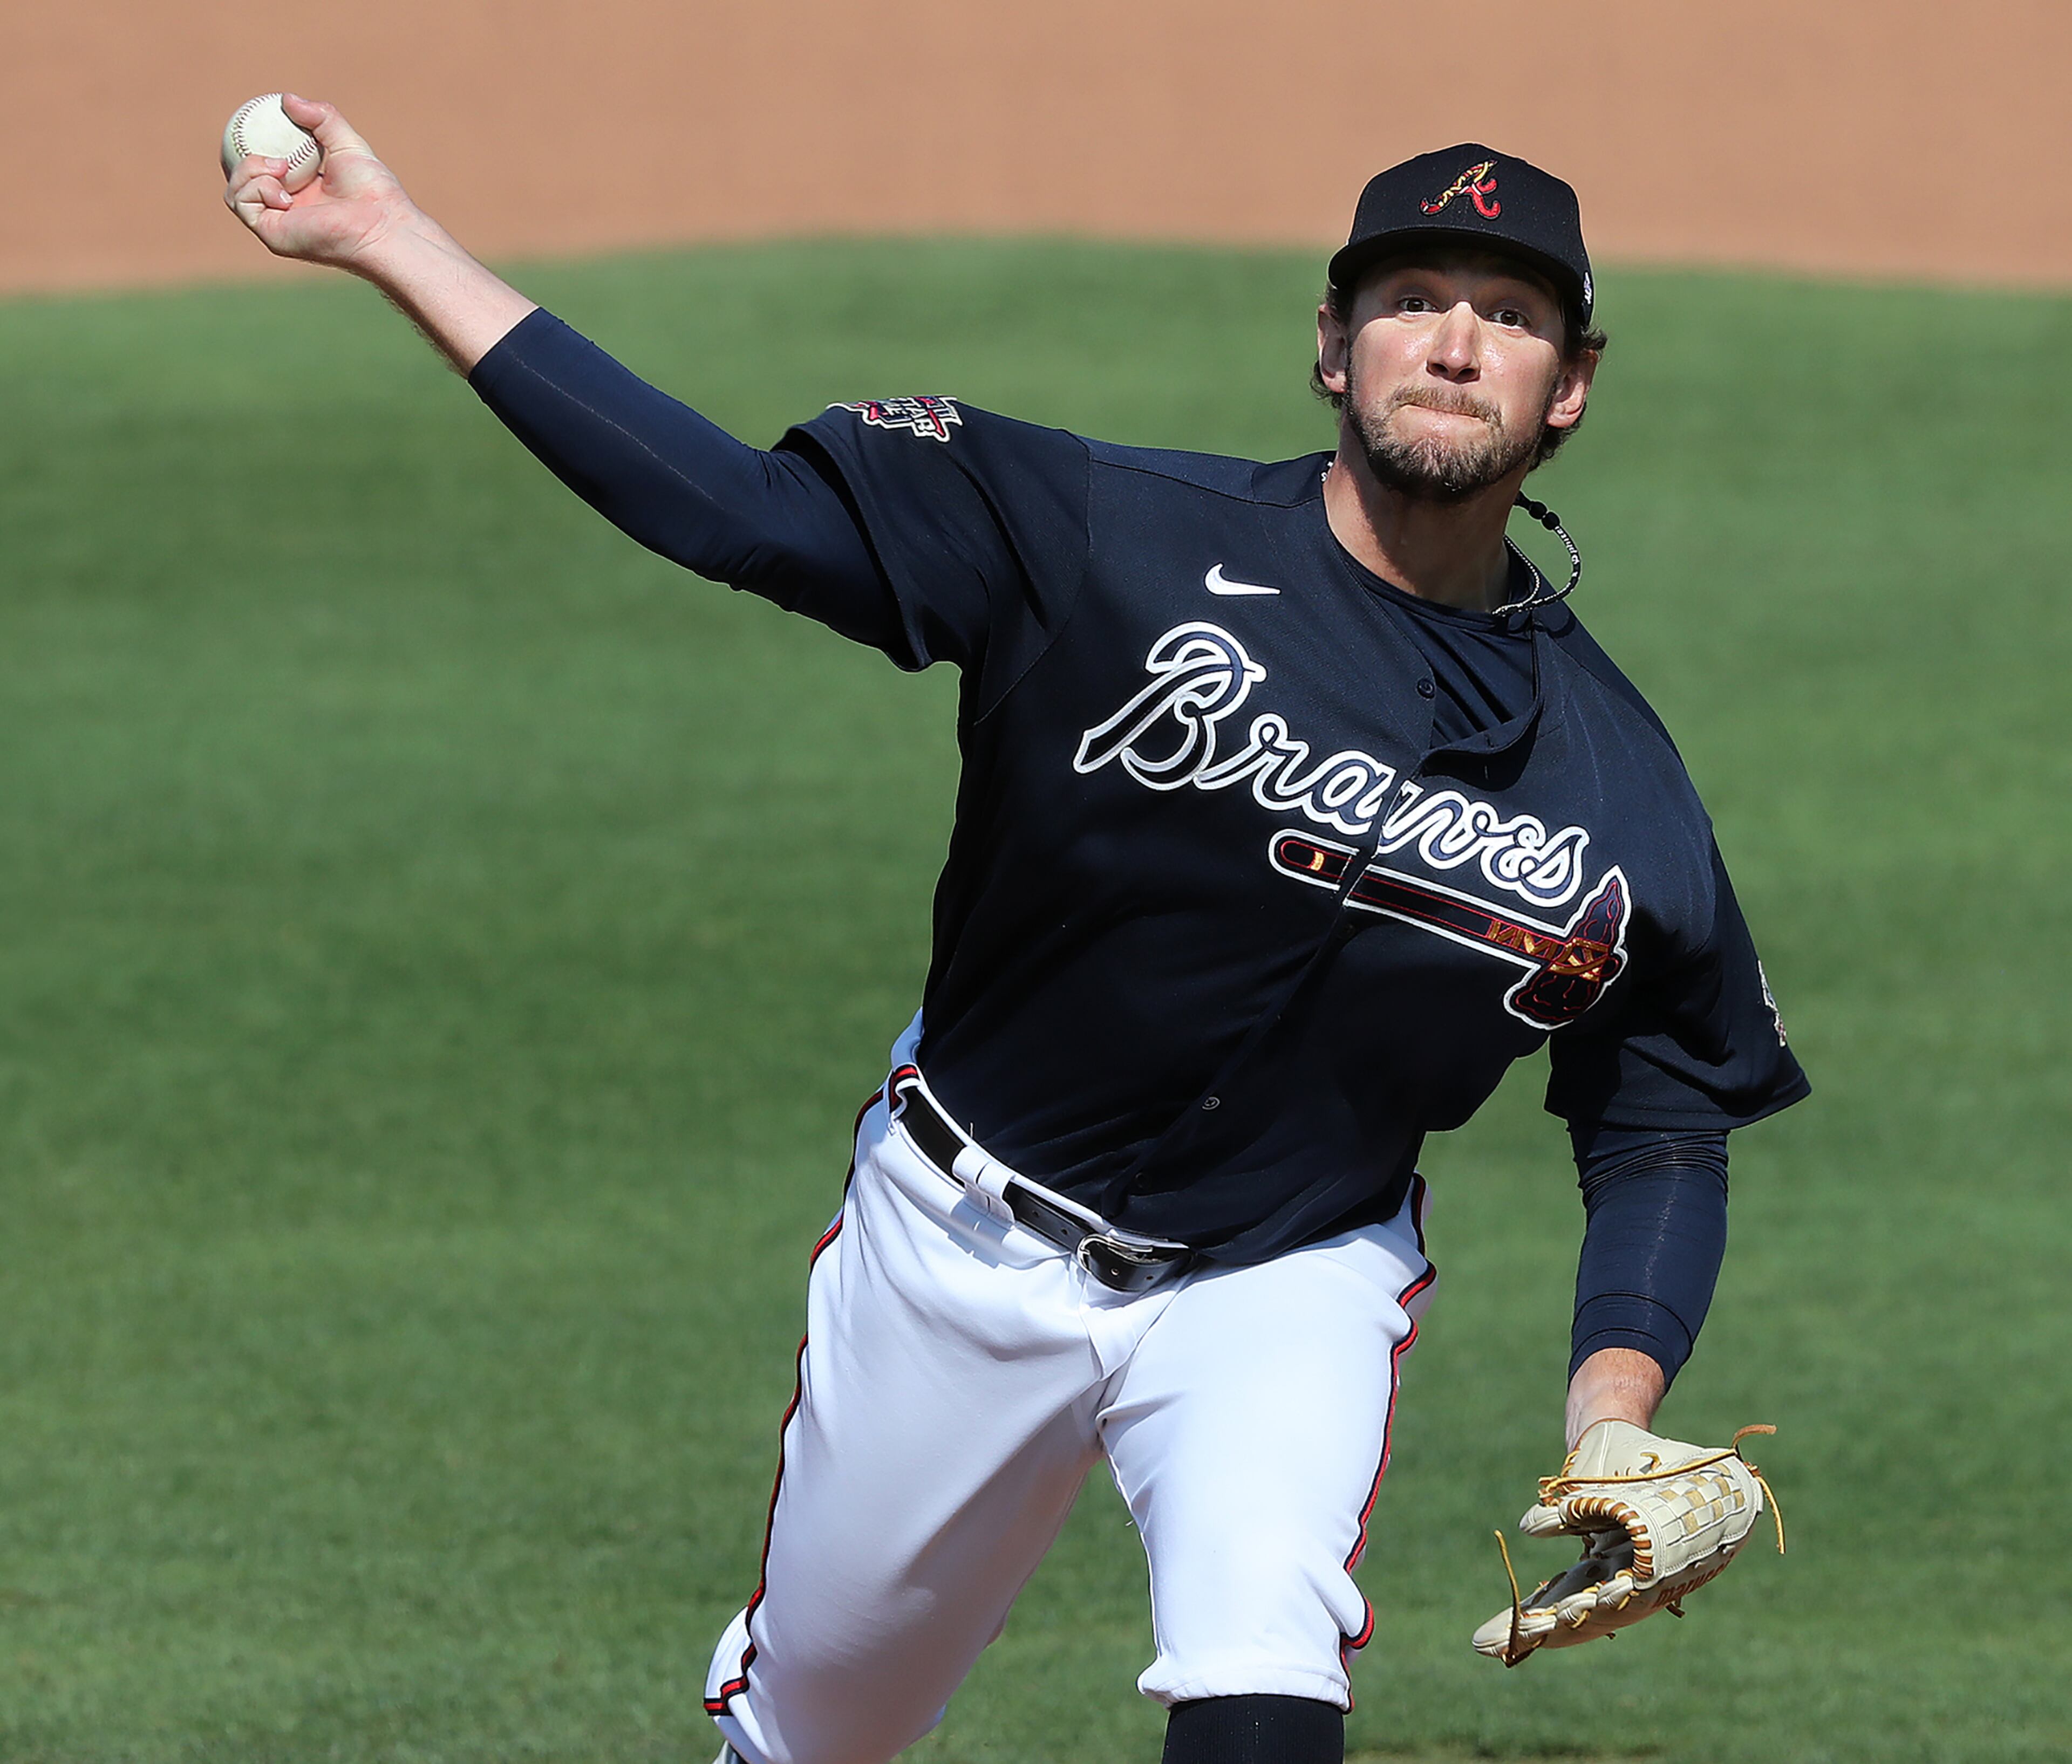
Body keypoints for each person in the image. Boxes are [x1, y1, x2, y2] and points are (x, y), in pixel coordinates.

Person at [226, 103, 1808, 1764]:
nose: (1457, 341)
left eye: (1510, 315)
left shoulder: (1619, 793)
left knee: (1267, 1659)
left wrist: (1615, 1416)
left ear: (1569, 386)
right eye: (1413, 296)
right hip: (956, 1242)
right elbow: (736, 514)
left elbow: (1663, 1113)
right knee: (811, 1737)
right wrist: (390, 241)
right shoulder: (1104, 538)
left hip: (1283, 1273)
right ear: (1333, 347)